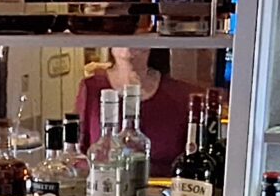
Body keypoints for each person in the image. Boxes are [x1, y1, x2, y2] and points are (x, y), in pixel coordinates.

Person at [75, 46, 209, 176]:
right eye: (123, 33)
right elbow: (78, 154)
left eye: (136, 33)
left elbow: (194, 164)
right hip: (105, 191)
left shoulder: (183, 95)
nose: (129, 42)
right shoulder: (91, 89)